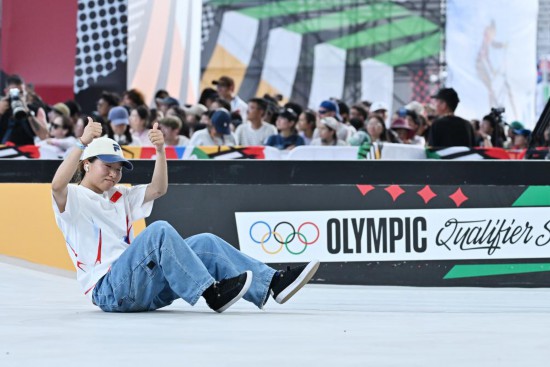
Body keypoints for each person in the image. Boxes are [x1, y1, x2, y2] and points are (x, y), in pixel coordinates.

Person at [51, 119, 320, 313]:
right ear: (86, 163)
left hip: (144, 287)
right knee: (159, 231)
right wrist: (82, 142)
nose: (113, 173)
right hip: (110, 290)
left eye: (119, 169)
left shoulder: (120, 195)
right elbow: (56, 186)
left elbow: (159, 189)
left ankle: (272, 283)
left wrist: (160, 151)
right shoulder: (73, 199)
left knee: (206, 242)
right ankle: (210, 292)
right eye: (107, 166)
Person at [0, 74, 49, 145]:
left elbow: (44, 136)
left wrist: (28, 112)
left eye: (21, 92)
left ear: (25, 91)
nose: (17, 96)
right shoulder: (2, 108)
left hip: (26, 153)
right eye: (13, 93)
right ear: (6, 92)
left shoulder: (36, 109)